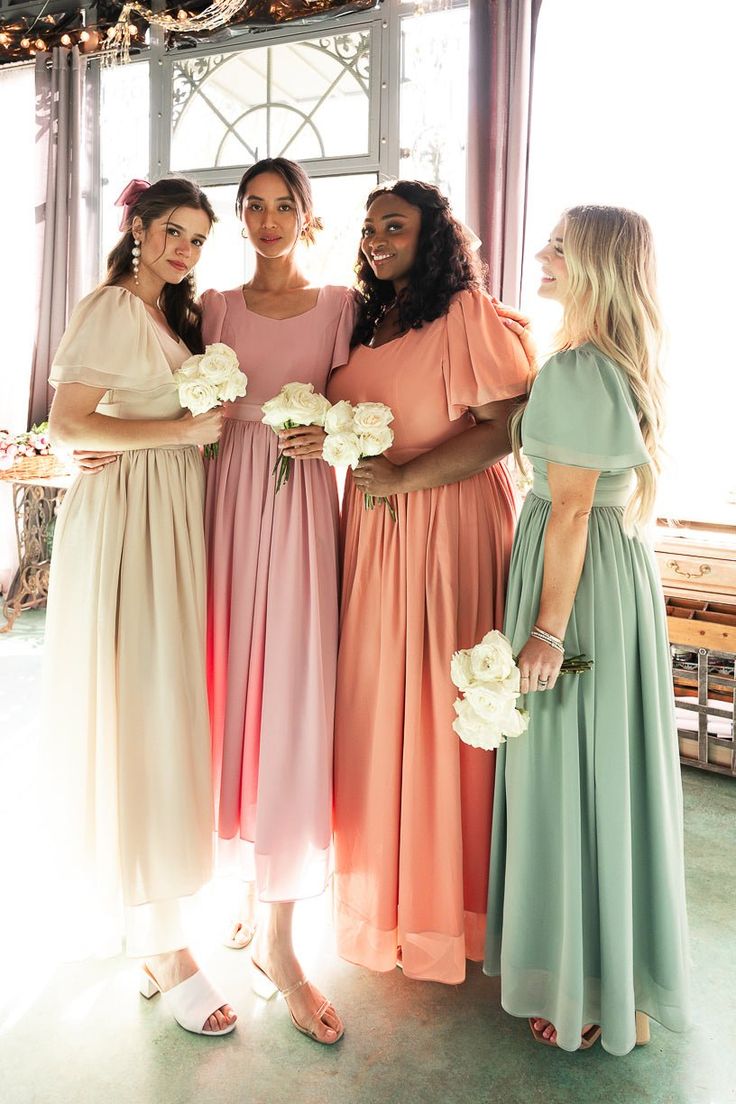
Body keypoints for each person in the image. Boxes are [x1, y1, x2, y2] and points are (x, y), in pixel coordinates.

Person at [484, 205, 690, 1054]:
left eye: (559, 247)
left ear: (594, 267)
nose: (542, 253)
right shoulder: (617, 363)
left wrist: (545, 634)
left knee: (571, 771)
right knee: (612, 772)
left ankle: (587, 987)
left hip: (575, 587)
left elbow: (567, 513)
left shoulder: (575, 367)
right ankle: (619, 983)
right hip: (619, 576)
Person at [45, 177, 236, 1037]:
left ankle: (153, 921)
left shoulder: (171, 316)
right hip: (127, 525)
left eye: (196, 238)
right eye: (171, 232)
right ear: (137, 227)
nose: (183, 250)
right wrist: (182, 434)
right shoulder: (112, 309)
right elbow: (67, 426)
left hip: (168, 521)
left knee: (163, 714)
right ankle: (163, 941)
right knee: (142, 714)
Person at [327, 180, 530, 984]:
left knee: (438, 710)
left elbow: (508, 427)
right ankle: (389, 906)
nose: (378, 239)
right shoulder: (366, 319)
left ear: (433, 236)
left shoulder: (467, 314)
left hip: (448, 525)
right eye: (370, 227)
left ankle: (454, 913)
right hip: (374, 532)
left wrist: (410, 482)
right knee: (380, 707)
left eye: (396, 227)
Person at [202, 158, 353, 1044]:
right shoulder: (213, 306)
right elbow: (160, 391)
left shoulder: (341, 305)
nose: (266, 221)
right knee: (226, 691)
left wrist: (327, 429)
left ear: (306, 213)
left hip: (300, 509)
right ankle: (236, 887)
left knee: (290, 696)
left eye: (282, 206)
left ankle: (282, 942)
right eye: (252, 207)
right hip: (222, 506)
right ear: (238, 217)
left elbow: (367, 402)